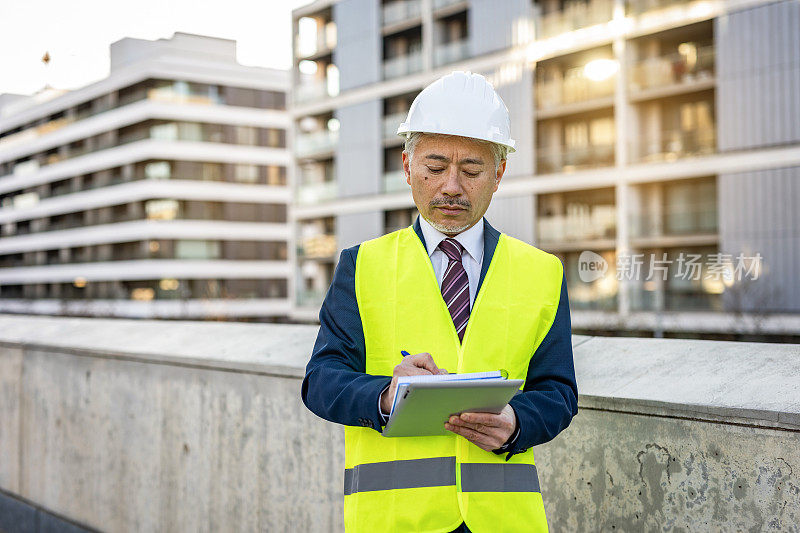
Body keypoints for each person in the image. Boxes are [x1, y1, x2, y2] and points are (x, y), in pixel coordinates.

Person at [301, 71, 578, 533]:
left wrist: (516, 423)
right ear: (408, 168)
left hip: (505, 523)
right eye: (434, 167)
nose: (452, 186)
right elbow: (321, 381)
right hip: (394, 523)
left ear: (498, 174)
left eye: (471, 170)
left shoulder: (542, 272)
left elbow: (559, 392)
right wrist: (387, 396)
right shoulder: (362, 265)